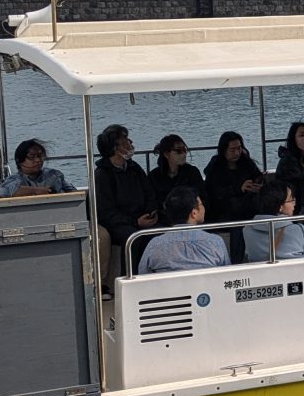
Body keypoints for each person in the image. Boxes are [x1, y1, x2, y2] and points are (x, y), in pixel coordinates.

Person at [93, 124, 157, 291]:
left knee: (160, 233)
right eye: (126, 140)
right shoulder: (102, 175)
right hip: (118, 223)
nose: (131, 142)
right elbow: (105, 212)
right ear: (116, 147)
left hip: (141, 217)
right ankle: (130, 283)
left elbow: (149, 193)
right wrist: (135, 221)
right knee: (132, 238)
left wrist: (152, 211)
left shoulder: (134, 168)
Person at [138, 186, 230, 273]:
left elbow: (143, 276)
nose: (204, 208)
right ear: (194, 213)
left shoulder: (155, 245)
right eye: (201, 204)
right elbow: (226, 275)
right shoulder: (215, 242)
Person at [203, 130, 264, 259]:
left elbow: (258, 176)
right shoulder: (215, 167)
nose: (237, 153)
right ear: (223, 150)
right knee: (238, 227)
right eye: (232, 150)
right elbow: (215, 193)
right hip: (224, 209)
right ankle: (236, 261)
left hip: (248, 205)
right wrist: (238, 189)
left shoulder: (246, 162)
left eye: (239, 148)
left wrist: (258, 185)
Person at [242, 177, 304, 262]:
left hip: (261, 274)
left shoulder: (247, 229)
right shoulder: (297, 229)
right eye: (291, 200)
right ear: (280, 207)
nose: (295, 203)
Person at [148, 134, 205, 215]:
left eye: (185, 150)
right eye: (178, 151)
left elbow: (202, 196)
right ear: (166, 154)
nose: (184, 154)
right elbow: (151, 201)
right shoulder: (154, 176)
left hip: (189, 216)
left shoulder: (192, 172)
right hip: (164, 217)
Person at [0, 138, 71, 197]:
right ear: (19, 161)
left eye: (39, 156)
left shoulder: (54, 174)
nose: (38, 160)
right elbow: (3, 190)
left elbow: (74, 192)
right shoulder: (16, 179)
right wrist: (36, 191)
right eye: (31, 157)